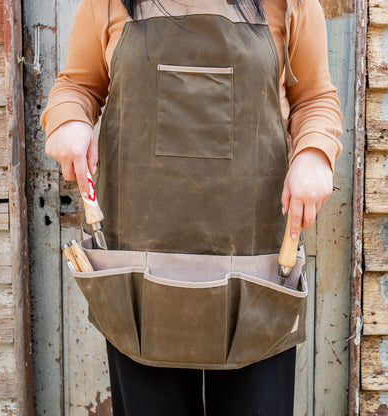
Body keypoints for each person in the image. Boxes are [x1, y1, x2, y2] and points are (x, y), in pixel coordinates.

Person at [41, 0, 343, 414]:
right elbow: (77, 85)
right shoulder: (108, 3)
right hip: (139, 278)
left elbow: (314, 98)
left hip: (256, 274)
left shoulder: (289, 4)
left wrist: (315, 153)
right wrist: (68, 120)